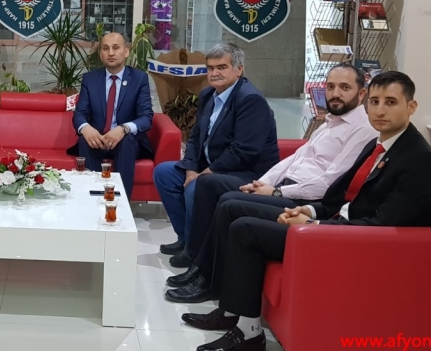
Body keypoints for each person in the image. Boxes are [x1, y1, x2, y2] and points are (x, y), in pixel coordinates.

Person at [185, 71, 431, 351]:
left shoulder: (418, 160)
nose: (380, 110)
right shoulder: (380, 144)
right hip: (336, 226)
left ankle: (249, 333)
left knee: (245, 229)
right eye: (375, 102)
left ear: (411, 106)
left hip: (359, 243)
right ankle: (230, 311)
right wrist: (308, 211)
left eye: (391, 102)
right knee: (234, 210)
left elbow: (381, 225)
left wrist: (315, 226)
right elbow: (341, 197)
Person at [164, 63, 378, 302]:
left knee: (229, 202)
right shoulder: (330, 122)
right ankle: (198, 262)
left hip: (304, 200)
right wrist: (261, 183)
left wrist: (276, 192)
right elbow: (294, 159)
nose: (335, 93)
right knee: (208, 184)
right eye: (330, 87)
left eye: (344, 88)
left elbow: (330, 182)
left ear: (361, 93)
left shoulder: (363, 130)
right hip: (283, 186)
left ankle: (208, 278)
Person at [154, 43, 279, 267]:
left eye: (221, 67)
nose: (214, 73)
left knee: (197, 187)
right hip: (210, 167)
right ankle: (185, 238)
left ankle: (196, 252)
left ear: (239, 69)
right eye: (210, 68)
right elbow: (195, 137)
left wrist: (204, 174)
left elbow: (243, 151)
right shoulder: (207, 95)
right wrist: (191, 169)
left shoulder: (250, 100)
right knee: (164, 173)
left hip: (246, 173)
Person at [72, 32, 154, 196]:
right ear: (100, 54)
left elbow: (146, 117)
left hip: (125, 141)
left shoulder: (139, 79)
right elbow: (80, 113)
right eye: (105, 48)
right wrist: (86, 128)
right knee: (85, 140)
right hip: (98, 139)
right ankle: (93, 200)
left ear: (126, 51)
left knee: (127, 141)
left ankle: (120, 202)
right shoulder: (90, 79)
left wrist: (123, 129)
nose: (110, 53)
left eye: (116, 48)